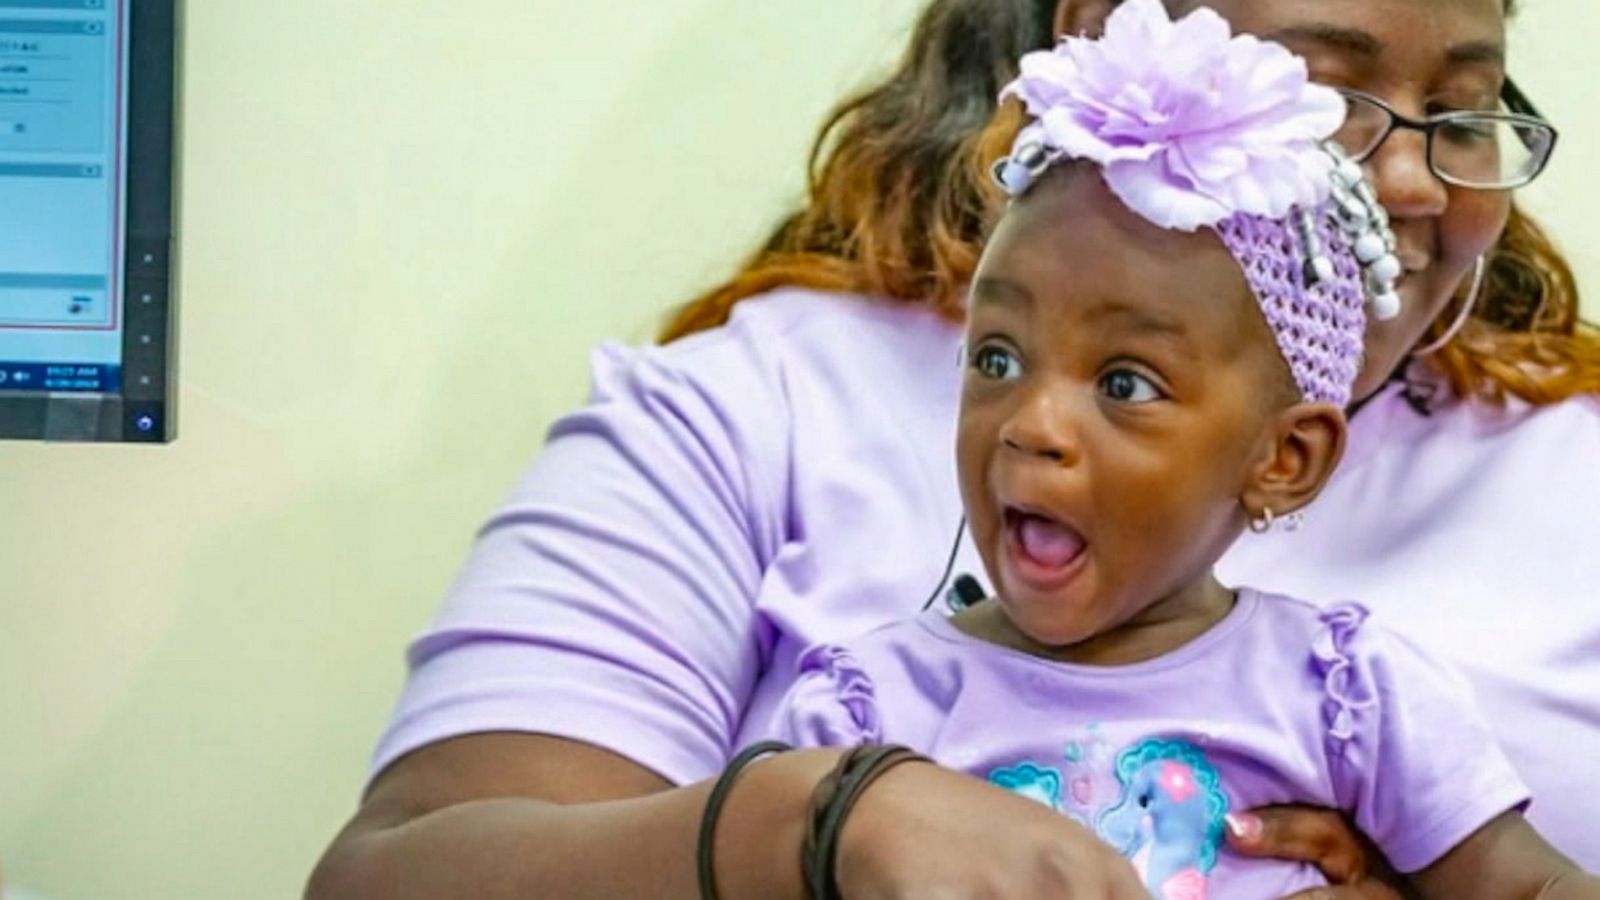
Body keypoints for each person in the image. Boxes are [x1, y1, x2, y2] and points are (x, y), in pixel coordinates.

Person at [308, 0, 1598, 897]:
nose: (1421, 185)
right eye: (1331, 90)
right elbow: (395, 880)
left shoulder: (1564, 469)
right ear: (1111, 55)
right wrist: (808, 828)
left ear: (1289, 458)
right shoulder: (758, 410)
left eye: (1461, 110)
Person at [761, 4, 1597, 899]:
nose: (1031, 424)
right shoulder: (867, 714)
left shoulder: (1345, 696)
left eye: (1125, 383)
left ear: (1286, 458)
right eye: (996, 358)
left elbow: (1529, 886)